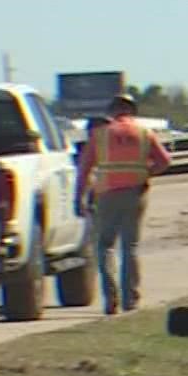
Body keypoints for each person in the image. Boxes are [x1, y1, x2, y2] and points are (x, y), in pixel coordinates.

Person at [75, 95, 172, 315]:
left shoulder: (99, 134)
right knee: (131, 247)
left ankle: (111, 299)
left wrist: (78, 196)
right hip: (136, 192)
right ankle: (131, 299)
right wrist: (146, 172)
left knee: (104, 245)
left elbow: (84, 169)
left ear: (112, 111)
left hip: (107, 193)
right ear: (132, 111)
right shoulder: (144, 133)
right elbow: (165, 161)